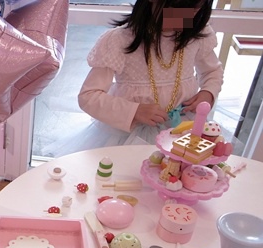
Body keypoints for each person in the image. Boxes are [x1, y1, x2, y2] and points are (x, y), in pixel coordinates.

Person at [74, 0, 223, 149]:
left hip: (184, 130)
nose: (186, 18)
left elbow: (212, 71)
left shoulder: (197, 35)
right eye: (179, 8)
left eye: (195, 11)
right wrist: (134, 111)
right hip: (130, 135)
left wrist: (208, 93)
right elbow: (88, 96)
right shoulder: (119, 40)